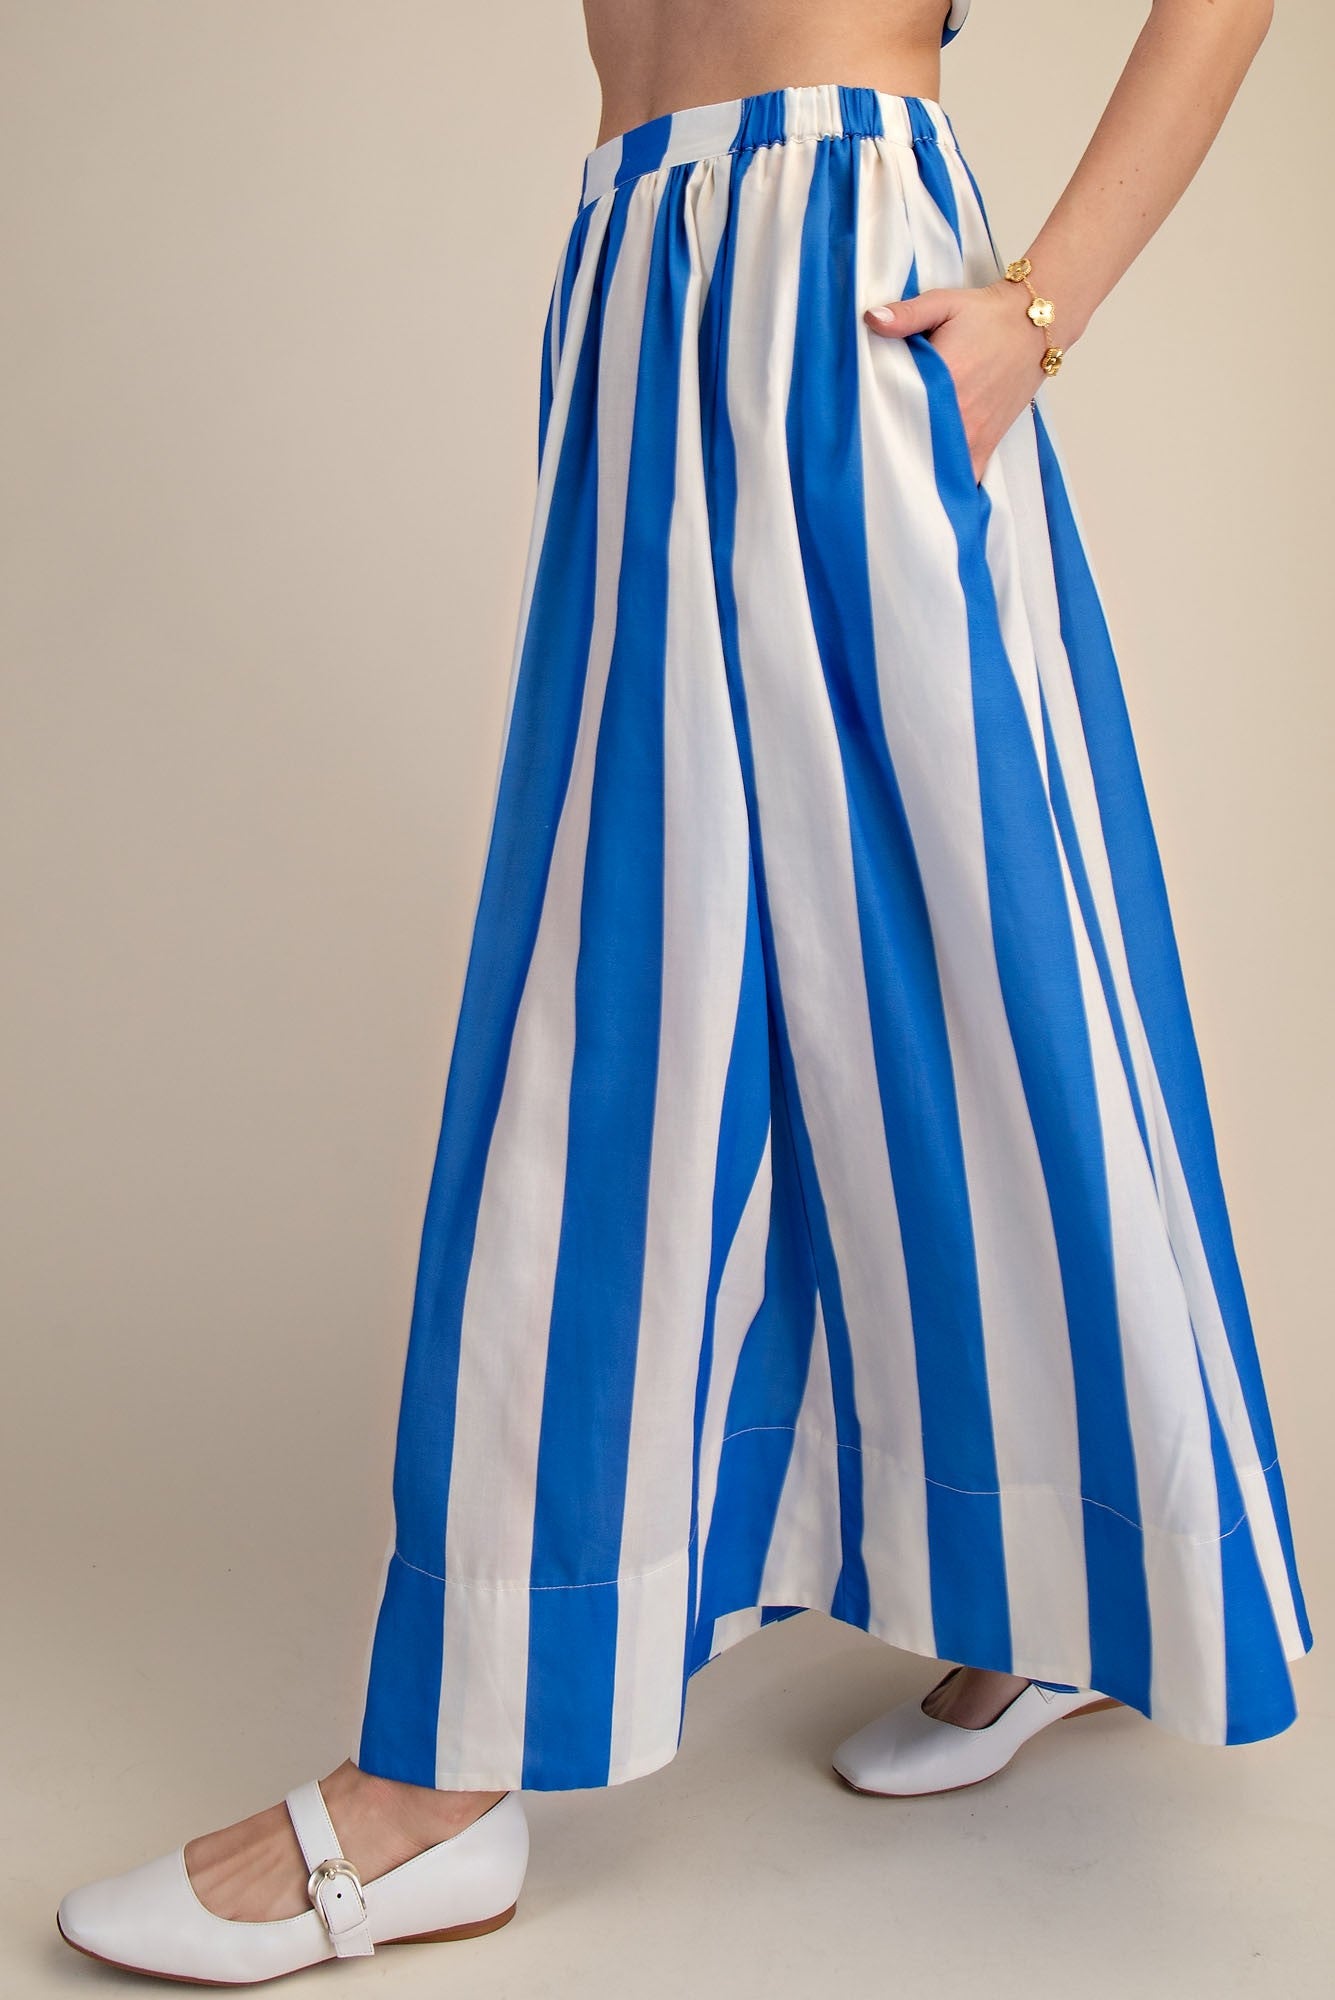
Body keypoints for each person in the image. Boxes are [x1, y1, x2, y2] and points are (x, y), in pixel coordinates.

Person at [57, 0, 1312, 1984]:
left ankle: (440, 1779)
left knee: (808, 976)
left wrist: (1038, 307)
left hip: (840, 257)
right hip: (640, 258)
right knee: (900, 967)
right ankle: (1062, 1568)